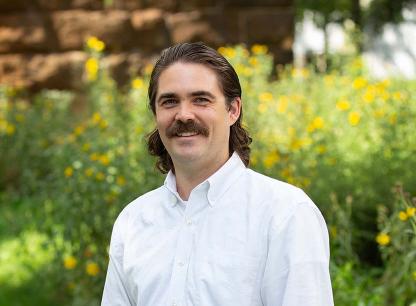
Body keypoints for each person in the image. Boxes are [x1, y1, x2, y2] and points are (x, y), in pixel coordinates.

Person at [101, 42, 334, 306]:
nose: (184, 114)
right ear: (155, 113)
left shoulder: (285, 214)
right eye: (169, 101)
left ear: (233, 110)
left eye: (201, 99)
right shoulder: (133, 222)